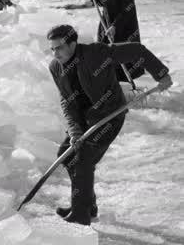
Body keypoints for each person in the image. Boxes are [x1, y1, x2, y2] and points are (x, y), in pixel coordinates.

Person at [47, 24, 172, 225]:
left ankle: (81, 213)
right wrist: (74, 131)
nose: (55, 53)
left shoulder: (96, 53)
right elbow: (66, 101)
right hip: (84, 119)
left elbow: (137, 50)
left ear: (72, 44)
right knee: (67, 154)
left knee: (83, 158)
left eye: (59, 47)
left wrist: (162, 74)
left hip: (109, 115)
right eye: (52, 49)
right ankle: (88, 205)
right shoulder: (55, 67)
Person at [87, 0, 143, 81]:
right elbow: (104, 1)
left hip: (124, 25)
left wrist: (115, 26)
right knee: (104, 53)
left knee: (123, 55)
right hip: (106, 22)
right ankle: (108, 82)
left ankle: (128, 84)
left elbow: (127, 9)